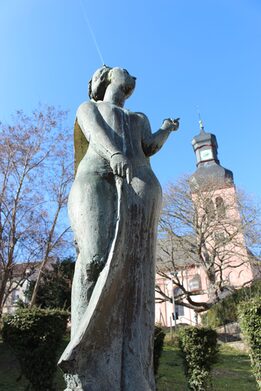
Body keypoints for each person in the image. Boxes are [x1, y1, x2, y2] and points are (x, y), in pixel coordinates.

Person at [59, 66, 179, 391]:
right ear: (105, 79)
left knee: (132, 276)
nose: (130, 75)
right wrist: (114, 154)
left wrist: (166, 130)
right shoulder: (90, 108)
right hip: (95, 181)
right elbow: (95, 133)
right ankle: (82, 354)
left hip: (131, 188)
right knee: (94, 259)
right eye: (121, 70)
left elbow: (148, 147)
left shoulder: (138, 118)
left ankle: (126, 367)